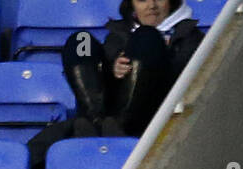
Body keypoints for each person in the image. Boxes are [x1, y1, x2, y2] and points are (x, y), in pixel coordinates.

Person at [63, 0, 204, 138]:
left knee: (147, 36)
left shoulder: (190, 36)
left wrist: (158, 56)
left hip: (152, 113)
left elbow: (188, 76)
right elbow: (106, 59)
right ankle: (94, 121)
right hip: (108, 113)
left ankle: (121, 125)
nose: (152, 5)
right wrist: (113, 67)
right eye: (142, 0)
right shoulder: (118, 33)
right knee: (81, 40)